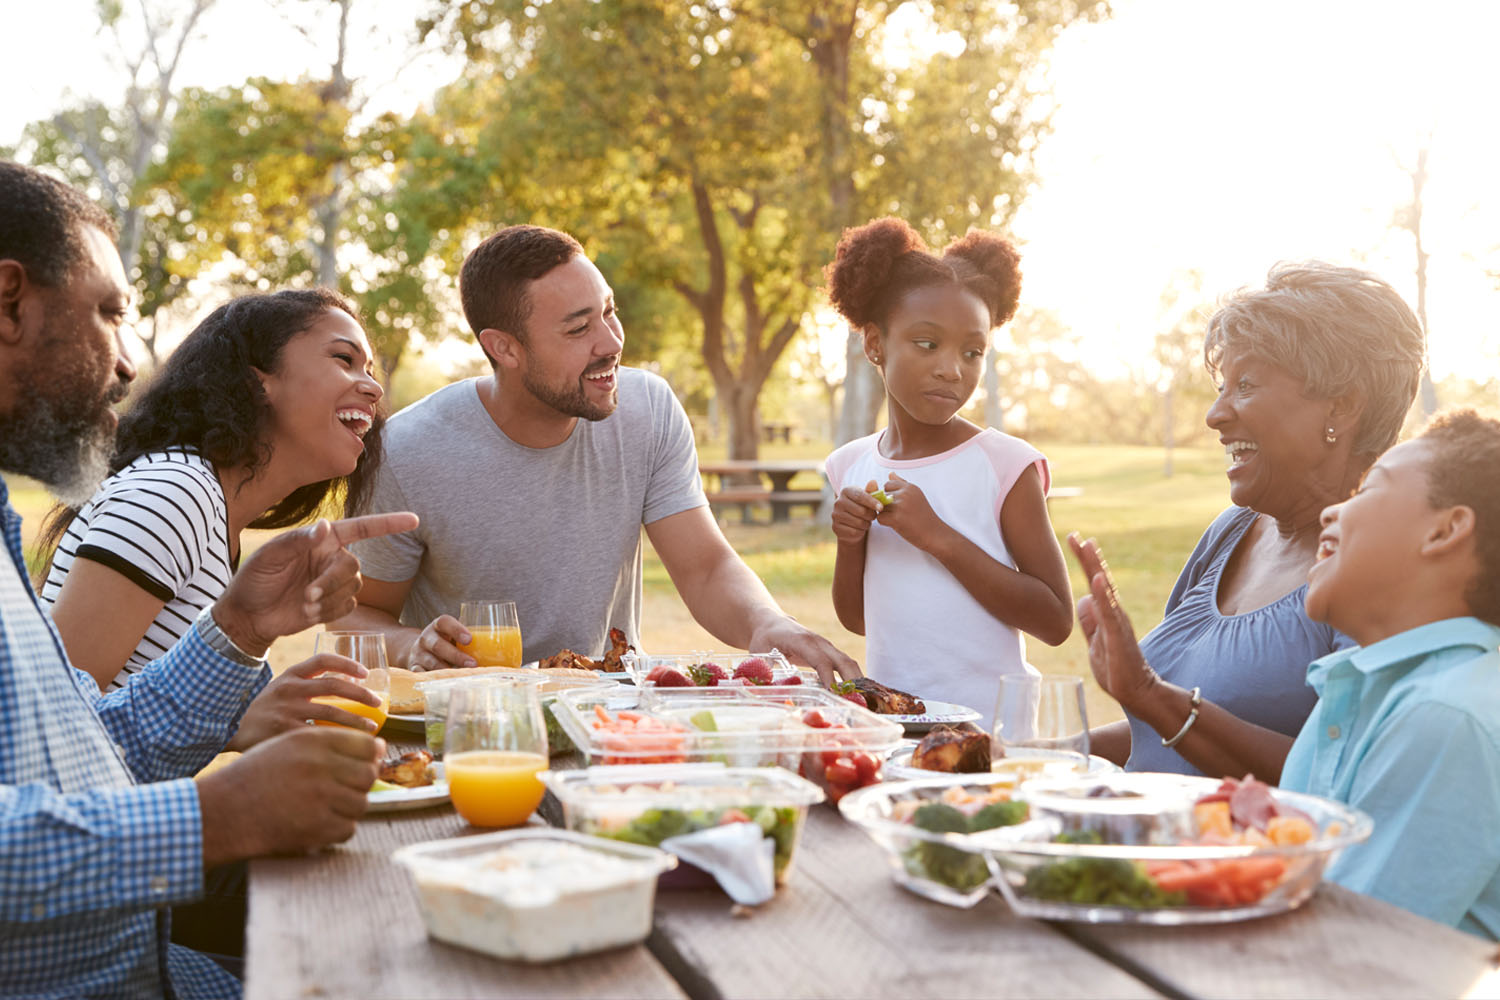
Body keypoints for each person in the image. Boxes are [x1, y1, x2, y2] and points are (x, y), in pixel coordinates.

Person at [0, 159, 418, 998]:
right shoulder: (175, 487)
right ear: (9, 303)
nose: (127, 363)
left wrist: (238, 632)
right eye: (110, 313)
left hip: (136, 957)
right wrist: (217, 815)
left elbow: (83, 757)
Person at [334, 224, 859, 682]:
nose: (610, 342)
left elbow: (704, 568)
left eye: (609, 312)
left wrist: (768, 623)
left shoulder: (647, 409)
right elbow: (355, 617)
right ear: (505, 348)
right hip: (475, 729)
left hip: (610, 714)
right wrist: (413, 646)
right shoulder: (406, 452)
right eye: (578, 328)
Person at [1077, 409, 1500, 938]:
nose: (1332, 514)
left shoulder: (1445, 717)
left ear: (1445, 531)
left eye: (1368, 490)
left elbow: (1353, 942)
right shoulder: (1360, 684)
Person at [1076, 262, 1425, 776]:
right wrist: (1032, 752)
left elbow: (1350, 777)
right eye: (1222, 387)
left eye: (1244, 385)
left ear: (1343, 406)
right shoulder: (1232, 531)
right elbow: (1160, 730)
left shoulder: (1381, 566)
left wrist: (1152, 695)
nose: (1215, 414)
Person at [39, 288, 386, 708]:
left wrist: (248, 716)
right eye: (344, 360)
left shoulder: (214, 516)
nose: (373, 388)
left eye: (369, 368)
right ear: (258, 384)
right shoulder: (172, 496)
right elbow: (48, 713)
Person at [821, 218, 1072, 726]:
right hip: (896, 723)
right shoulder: (850, 465)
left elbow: (1055, 620)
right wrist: (851, 540)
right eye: (927, 344)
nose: (951, 369)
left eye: (972, 352)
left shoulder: (1005, 465)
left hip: (991, 732)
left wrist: (938, 537)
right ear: (874, 344)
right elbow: (859, 619)